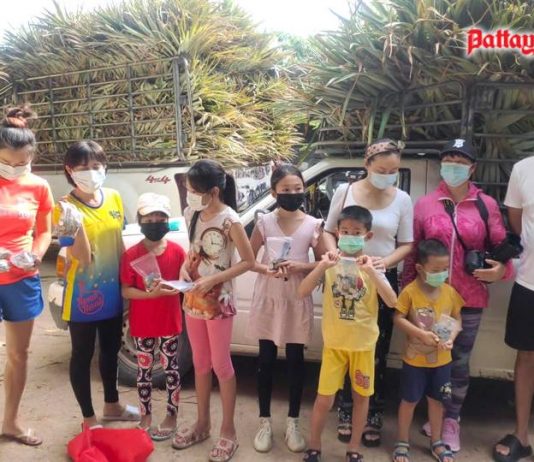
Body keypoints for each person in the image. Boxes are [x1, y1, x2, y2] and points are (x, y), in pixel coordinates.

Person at [402, 138, 513, 452]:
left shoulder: (485, 205)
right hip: (428, 298)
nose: (453, 166)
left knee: (458, 362)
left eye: (461, 162)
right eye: (449, 160)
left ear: (472, 168)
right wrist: (406, 294)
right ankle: (434, 415)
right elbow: (413, 252)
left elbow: (503, 250)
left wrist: (501, 272)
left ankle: (451, 420)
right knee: (430, 358)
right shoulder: (425, 204)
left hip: (467, 299)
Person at [324, 138, 413, 446]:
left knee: (376, 348)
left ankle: (373, 411)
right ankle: (346, 409)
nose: (388, 175)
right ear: (367, 165)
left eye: (393, 171)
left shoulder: (402, 199)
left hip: (380, 277)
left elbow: (407, 244)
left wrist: (383, 263)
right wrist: (333, 255)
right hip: (345, 275)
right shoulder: (345, 191)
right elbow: (328, 231)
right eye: (382, 170)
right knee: (344, 342)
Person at [298, 205, 397, 462]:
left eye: (356, 232)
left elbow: (392, 301)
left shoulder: (373, 266)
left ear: (368, 235)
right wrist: (322, 266)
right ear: (337, 233)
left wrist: (372, 272)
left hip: (363, 346)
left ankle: (354, 448)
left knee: (362, 398)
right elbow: (302, 291)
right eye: (345, 231)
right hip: (334, 345)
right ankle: (314, 446)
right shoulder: (330, 264)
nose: (350, 236)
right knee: (324, 399)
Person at [172, 160, 255, 462]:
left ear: (214, 191)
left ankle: (228, 432)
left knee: (222, 365)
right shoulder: (191, 213)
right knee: (200, 363)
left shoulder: (230, 220)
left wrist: (213, 280)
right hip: (193, 299)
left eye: (195, 191)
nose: (190, 196)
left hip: (219, 302)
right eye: (188, 190)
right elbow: (194, 250)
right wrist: (185, 269)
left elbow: (248, 261)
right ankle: (202, 424)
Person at [55, 140, 140, 428]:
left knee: (111, 349)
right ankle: (88, 418)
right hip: (83, 296)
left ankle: (112, 406)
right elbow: (82, 257)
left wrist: (129, 280)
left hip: (112, 291)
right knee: (82, 354)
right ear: (70, 170)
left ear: (104, 167)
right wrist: (76, 222)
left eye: (96, 165)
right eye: (83, 167)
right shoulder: (64, 208)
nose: (91, 172)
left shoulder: (114, 197)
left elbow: (119, 243)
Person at [247, 164, 325, 454]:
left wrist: (300, 266)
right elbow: (249, 260)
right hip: (268, 297)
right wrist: (268, 269)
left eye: (297, 188)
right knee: (265, 360)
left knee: (295, 362)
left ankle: (293, 422)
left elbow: (324, 262)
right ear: (273, 192)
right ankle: (264, 422)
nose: (293, 194)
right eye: (286, 189)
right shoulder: (264, 223)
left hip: (297, 299)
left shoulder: (313, 225)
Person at [0, 106, 53, 446]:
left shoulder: (38, 186)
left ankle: (11, 421)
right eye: (8, 161)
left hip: (21, 279)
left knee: (19, 354)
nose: (16, 168)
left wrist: (36, 254)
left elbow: (44, 231)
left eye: (23, 162)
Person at [120, 193, 186, 441]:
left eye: (161, 218)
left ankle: (172, 416)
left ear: (168, 221)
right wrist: (152, 294)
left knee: (171, 369)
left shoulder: (178, 252)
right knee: (144, 371)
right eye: (149, 219)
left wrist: (183, 285)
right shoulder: (131, 255)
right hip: (142, 323)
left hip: (170, 321)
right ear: (140, 221)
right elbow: (126, 290)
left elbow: (186, 280)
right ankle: (145, 416)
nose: (155, 223)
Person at [392, 239, 463, 462]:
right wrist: (420, 334)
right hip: (414, 362)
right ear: (420, 268)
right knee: (409, 400)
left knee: (437, 401)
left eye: (444, 269)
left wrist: (451, 338)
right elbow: (398, 318)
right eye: (435, 270)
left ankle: (437, 442)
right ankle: (402, 441)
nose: (441, 274)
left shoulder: (450, 292)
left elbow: (457, 319)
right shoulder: (410, 292)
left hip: (442, 361)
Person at [493, 155, 534, 462]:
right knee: (526, 357)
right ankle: (521, 436)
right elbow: (517, 222)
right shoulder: (524, 169)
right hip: (530, 282)